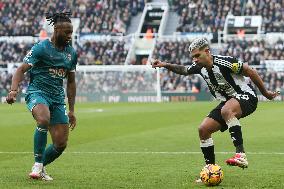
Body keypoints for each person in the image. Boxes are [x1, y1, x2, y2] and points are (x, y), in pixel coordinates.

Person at [151, 38, 279, 182]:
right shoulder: (198, 67)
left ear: (207, 52)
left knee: (226, 111)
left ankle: (241, 155)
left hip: (246, 97)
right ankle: (210, 170)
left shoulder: (225, 62)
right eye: (193, 56)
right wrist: (165, 65)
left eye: (197, 55)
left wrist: (266, 93)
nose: (195, 59)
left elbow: (251, 72)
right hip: (227, 102)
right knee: (203, 129)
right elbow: (183, 70)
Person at [6, 12, 77, 181]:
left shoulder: (71, 54)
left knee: (60, 143)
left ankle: (42, 167)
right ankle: (37, 164)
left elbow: (71, 82)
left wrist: (72, 110)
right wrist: (14, 90)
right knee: (43, 119)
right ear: (56, 30)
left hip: (57, 99)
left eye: (71, 32)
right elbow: (21, 69)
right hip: (37, 93)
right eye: (67, 32)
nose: (70, 36)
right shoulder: (41, 48)